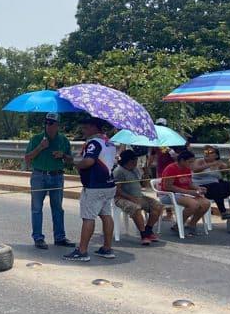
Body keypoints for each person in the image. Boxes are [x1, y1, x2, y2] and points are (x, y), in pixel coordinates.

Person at [64, 117, 116, 262]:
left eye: (86, 127)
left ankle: (82, 251)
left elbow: (88, 161)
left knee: (88, 217)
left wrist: (75, 163)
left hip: (94, 186)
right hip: (109, 184)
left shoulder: (94, 143)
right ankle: (107, 248)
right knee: (106, 215)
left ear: (94, 127)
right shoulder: (109, 142)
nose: (83, 130)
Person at [23, 112, 75, 250]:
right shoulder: (37, 139)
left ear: (58, 125)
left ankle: (60, 237)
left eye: (51, 123)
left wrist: (62, 155)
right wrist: (40, 147)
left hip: (57, 176)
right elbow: (27, 158)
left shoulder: (63, 140)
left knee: (58, 208)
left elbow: (71, 160)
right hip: (39, 176)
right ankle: (38, 238)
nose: (48, 126)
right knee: (36, 208)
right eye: (46, 123)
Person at [113, 149, 162, 246]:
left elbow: (144, 184)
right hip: (122, 198)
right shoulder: (119, 171)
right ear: (128, 161)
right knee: (136, 208)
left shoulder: (135, 170)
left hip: (139, 196)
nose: (136, 162)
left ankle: (148, 230)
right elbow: (117, 190)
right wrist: (131, 198)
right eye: (134, 160)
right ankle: (143, 234)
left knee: (158, 206)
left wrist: (146, 173)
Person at [160, 149, 212, 236]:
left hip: (184, 193)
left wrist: (198, 188)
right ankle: (179, 225)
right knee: (194, 204)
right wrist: (189, 192)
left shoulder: (187, 169)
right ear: (182, 161)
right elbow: (167, 186)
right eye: (190, 162)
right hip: (169, 194)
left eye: (193, 162)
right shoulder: (171, 168)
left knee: (206, 203)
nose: (191, 164)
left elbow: (190, 183)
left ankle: (192, 224)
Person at [193, 145, 230, 218]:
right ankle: (223, 212)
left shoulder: (218, 163)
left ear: (216, 155)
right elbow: (195, 169)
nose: (207, 153)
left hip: (216, 186)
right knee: (216, 186)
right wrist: (211, 164)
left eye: (210, 152)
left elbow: (227, 168)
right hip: (202, 187)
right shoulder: (200, 161)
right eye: (205, 152)